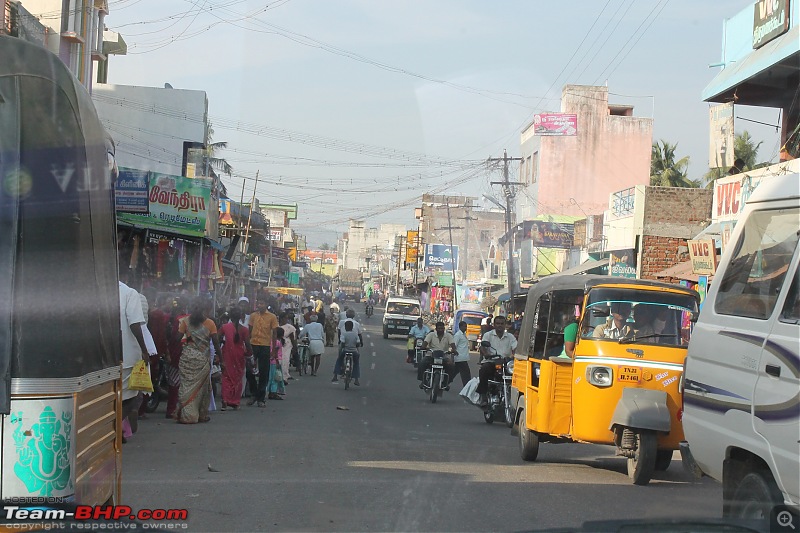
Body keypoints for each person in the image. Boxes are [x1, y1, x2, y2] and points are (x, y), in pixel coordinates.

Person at [176, 298, 222, 424]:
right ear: (205, 310)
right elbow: (216, 343)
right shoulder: (210, 323)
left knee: (186, 386)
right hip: (203, 359)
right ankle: (201, 415)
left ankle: (186, 414)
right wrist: (221, 358)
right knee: (203, 387)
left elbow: (177, 339)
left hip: (187, 358)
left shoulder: (185, 321)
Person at [119, 281, 149, 441]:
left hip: (103, 354)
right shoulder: (130, 293)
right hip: (127, 354)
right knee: (131, 396)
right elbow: (135, 324)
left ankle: (115, 430)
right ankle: (116, 429)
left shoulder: (98, 289)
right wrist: (144, 350)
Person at [477, 316, 517, 407]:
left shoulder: (510, 337)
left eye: (502, 324)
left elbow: (516, 347)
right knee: (484, 369)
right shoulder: (488, 335)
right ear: (494, 325)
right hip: (491, 361)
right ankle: (483, 395)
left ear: (505, 325)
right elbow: (483, 347)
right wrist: (486, 354)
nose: (500, 325)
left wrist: (516, 355)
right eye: (498, 323)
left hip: (506, 363)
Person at [219, 307, 252, 410]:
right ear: (240, 316)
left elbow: (217, 339)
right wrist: (250, 355)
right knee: (238, 378)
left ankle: (225, 399)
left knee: (226, 377)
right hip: (239, 355)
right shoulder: (245, 330)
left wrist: (219, 351)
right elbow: (247, 344)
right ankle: (234, 401)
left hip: (227, 353)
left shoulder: (224, 327)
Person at [249, 299, 279, 407]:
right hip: (253, 345)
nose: (260, 305)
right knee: (249, 370)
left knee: (264, 372)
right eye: (258, 303)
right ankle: (254, 393)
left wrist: (274, 350)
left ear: (266, 304)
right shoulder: (253, 316)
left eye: (262, 303)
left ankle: (261, 398)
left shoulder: (272, 317)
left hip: (265, 346)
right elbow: (249, 330)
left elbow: (275, 333)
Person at [165, 298, 188, 419]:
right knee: (180, 384)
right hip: (180, 354)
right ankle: (176, 409)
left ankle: (172, 409)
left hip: (174, 354)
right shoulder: (185, 319)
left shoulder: (172, 319)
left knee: (174, 384)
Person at [417, 321, 456, 389]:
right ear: (436, 329)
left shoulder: (448, 335)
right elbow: (425, 343)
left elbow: (453, 344)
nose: (440, 330)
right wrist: (423, 347)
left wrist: (454, 350)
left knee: (452, 366)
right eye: (439, 328)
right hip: (431, 355)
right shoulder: (431, 335)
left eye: (442, 328)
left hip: (444, 356)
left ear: (444, 328)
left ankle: (446, 383)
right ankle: (423, 381)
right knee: (422, 363)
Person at [332, 320, 362, 385]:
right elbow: (358, 343)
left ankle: (335, 376)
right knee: (356, 363)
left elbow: (342, 343)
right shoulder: (355, 335)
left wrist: (343, 347)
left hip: (346, 350)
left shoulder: (344, 334)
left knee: (339, 360)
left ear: (345, 327)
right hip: (354, 351)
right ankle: (356, 379)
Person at [452, 320, 472, 387]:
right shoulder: (458, 335)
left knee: (454, 372)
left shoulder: (463, 335)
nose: (466, 328)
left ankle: (444, 383)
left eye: (466, 326)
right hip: (460, 357)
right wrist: (454, 353)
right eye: (464, 326)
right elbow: (454, 345)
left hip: (463, 357)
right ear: (460, 327)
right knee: (466, 374)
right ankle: (467, 387)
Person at [267, 328, 285, 400]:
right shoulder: (277, 342)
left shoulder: (269, 341)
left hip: (269, 361)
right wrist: (277, 361)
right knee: (275, 378)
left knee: (269, 377)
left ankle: (269, 391)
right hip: (275, 362)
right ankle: (273, 392)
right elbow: (276, 353)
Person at [280, 312, 298, 381]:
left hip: (287, 344)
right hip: (279, 344)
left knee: (286, 359)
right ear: (281, 319)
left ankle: (285, 375)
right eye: (285, 318)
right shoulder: (276, 326)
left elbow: (293, 338)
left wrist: (294, 347)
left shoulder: (290, 327)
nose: (286, 320)